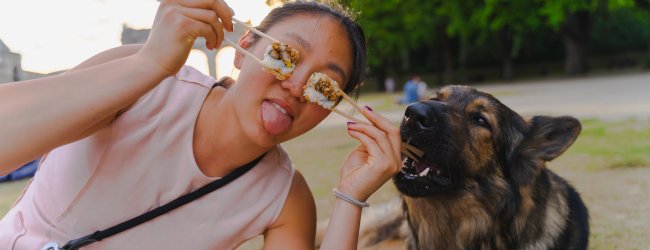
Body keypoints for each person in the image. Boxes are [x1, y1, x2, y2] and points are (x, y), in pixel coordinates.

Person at [0, 0, 401, 249]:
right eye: (285, 56)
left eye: (324, 87)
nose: (296, 87)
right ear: (243, 50)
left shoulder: (285, 200)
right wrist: (149, 64)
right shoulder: (142, 79)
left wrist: (350, 197)